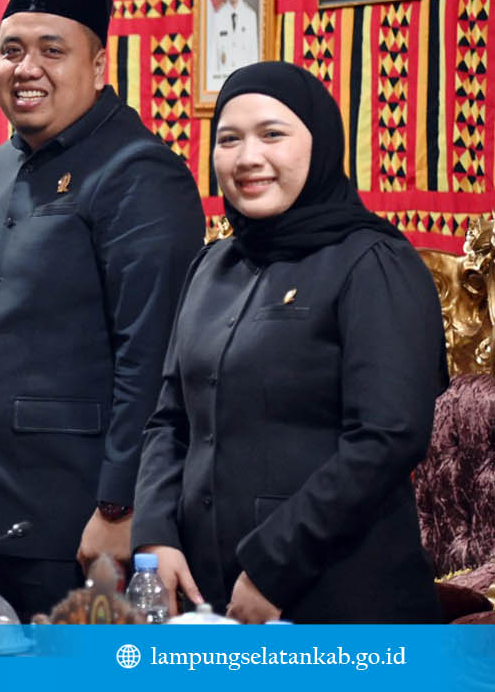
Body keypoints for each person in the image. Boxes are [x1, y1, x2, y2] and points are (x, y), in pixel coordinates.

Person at [0, 0, 205, 618]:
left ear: (98, 66)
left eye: (52, 50)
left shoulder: (140, 172)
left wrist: (120, 506)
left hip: (78, 519)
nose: (27, 68)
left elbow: (152, 355)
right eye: (11, 50)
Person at [133, 61, 445, 623]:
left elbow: (386, 438)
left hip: (339, 599)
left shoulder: (374, 263)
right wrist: (156, 534)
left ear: (320, 144)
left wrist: (272, 566)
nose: (247, 157)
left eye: (272, 134)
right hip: (208, 593)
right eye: (229, 139)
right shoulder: (209, 265)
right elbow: (170, 418)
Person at [208, 0, 259, 91]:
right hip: (220, 89)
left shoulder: (250, 17)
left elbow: (254, 61)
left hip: (246, 89)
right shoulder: (217, 18)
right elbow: (211, 65)